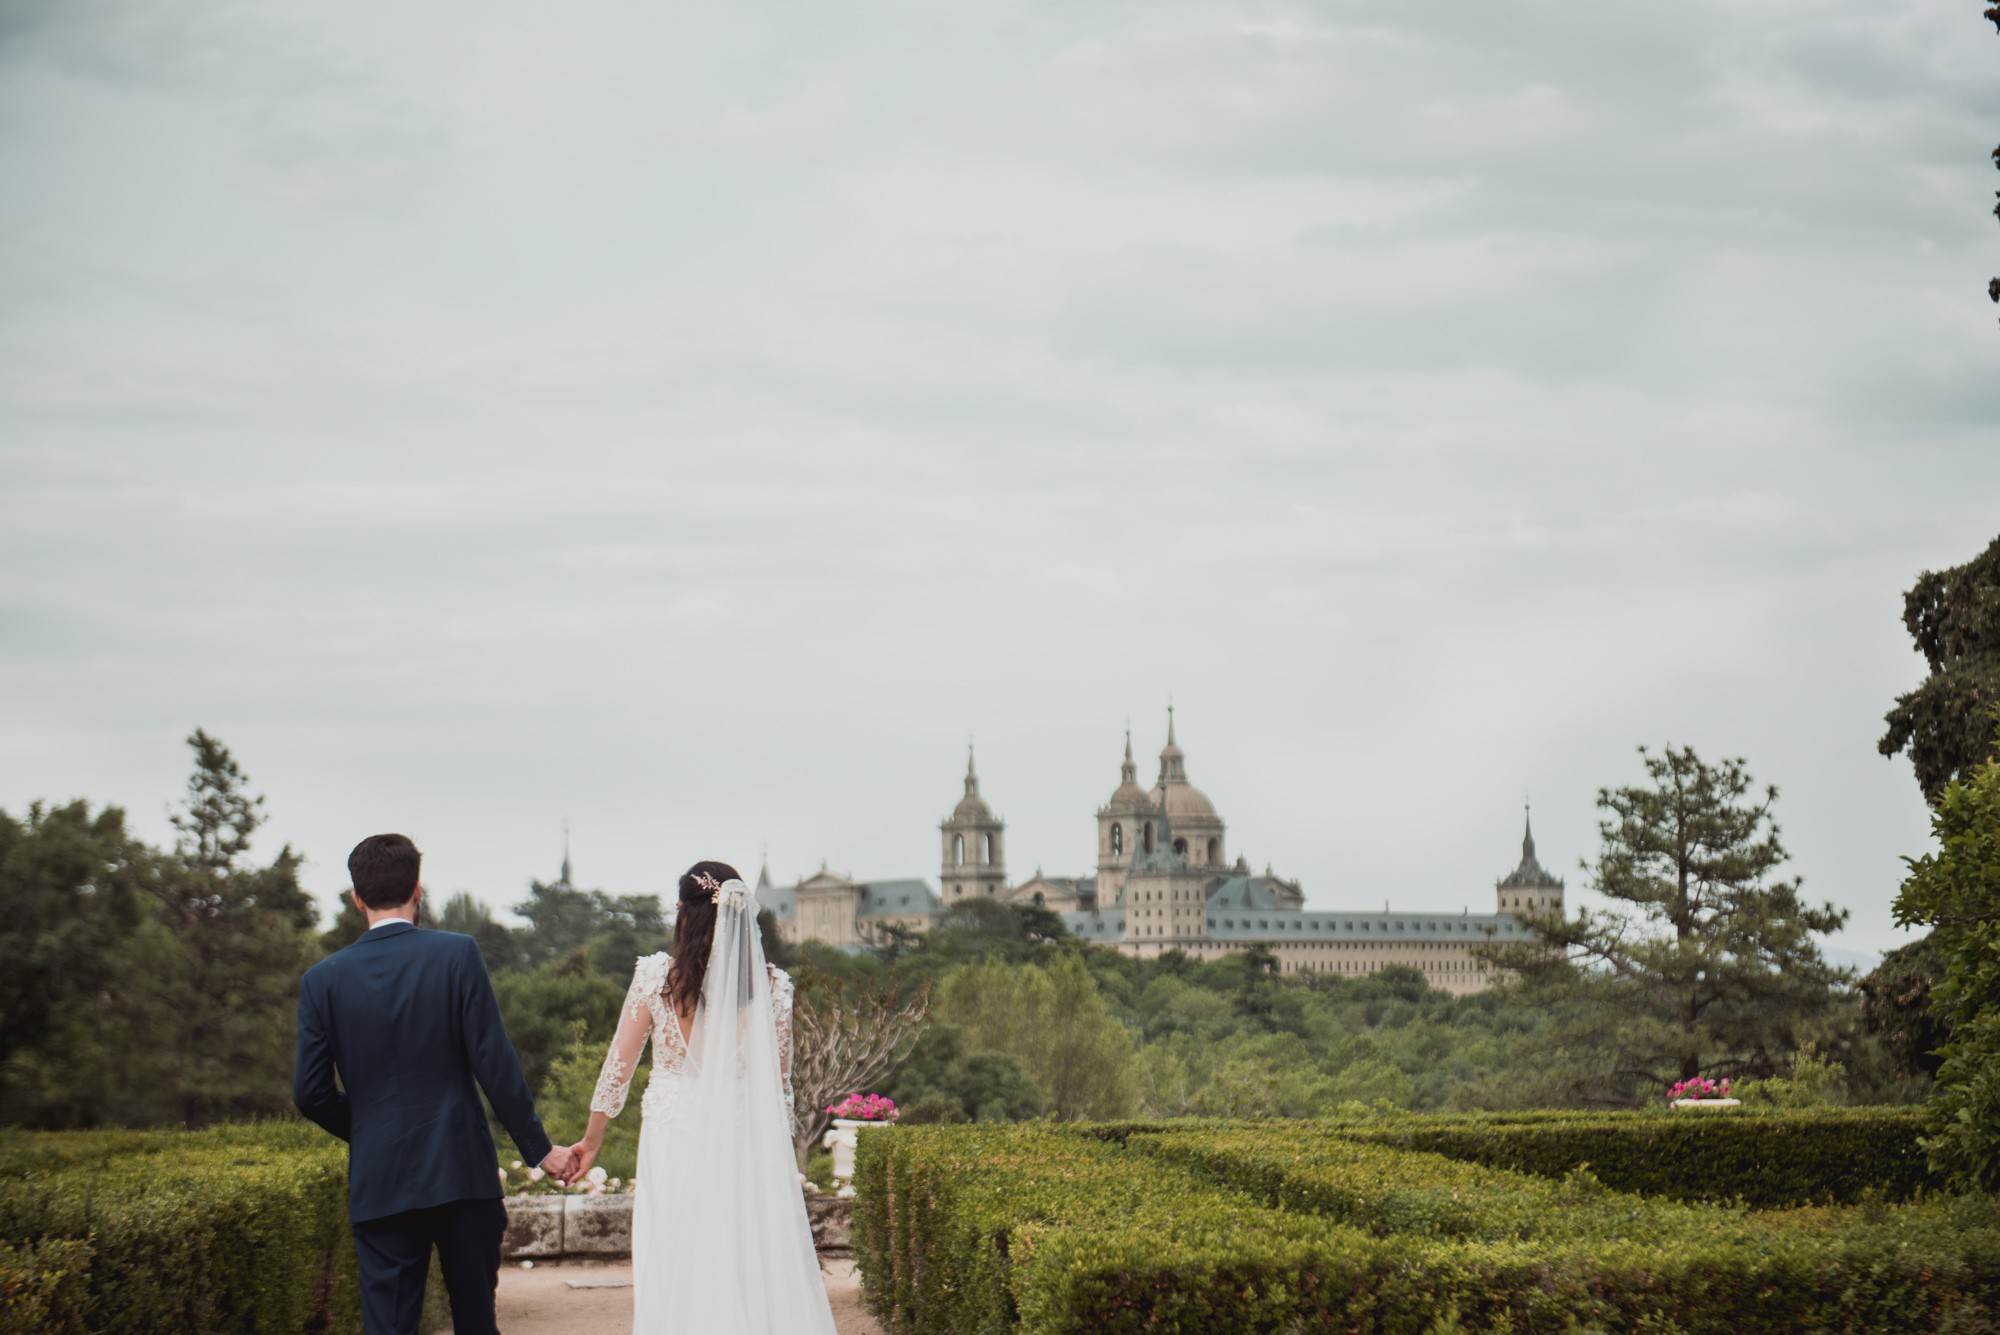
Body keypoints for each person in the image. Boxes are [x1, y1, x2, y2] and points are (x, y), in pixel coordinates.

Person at [294, 833, 575, 1335]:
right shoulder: (457, 954)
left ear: (357, 896)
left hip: (381, 1182)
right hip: (462, 1173)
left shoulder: (322, 979)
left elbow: (310, 1094)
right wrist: (540, 1150)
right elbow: (495, 1064)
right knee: (475, 1322)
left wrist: (371, 1129)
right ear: (417, 889)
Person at [568, 860, 837, 1334]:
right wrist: (780, 1157)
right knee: (739, 1251)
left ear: (684, 913)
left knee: (673, 1248)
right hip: (741, 1137)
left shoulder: (656, 977)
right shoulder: (773, 987)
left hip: (673, 1135)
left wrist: (592, 1142)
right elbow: (778, 1085)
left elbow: (618, 1067)